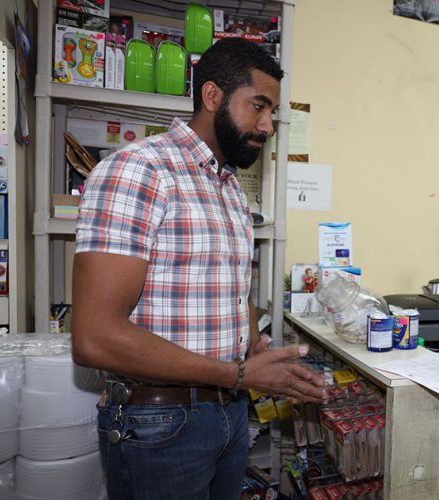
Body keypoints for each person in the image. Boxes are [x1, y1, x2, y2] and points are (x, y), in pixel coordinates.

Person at [71, 39, 325, 500]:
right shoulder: (139, 170)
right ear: (213, 97)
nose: (267, 126)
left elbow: (229, 292)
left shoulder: (229, 189)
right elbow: (94, 337)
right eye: (259, 107)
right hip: (158, 425)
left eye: (273, 113)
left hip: (226, 414)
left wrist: (257, 351)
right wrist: (241, 375)